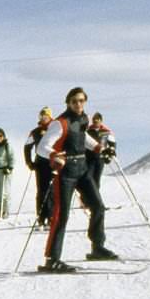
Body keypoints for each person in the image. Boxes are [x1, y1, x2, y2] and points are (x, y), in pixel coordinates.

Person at [36, 86, 116, 272]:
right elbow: (42, 147)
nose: (78, 104)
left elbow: (83, 137)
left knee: (97, 206)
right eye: (74, 101)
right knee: (61, 215)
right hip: (66, 173)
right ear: (68, 103)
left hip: (82, 168)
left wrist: (100, 149)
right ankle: (52, 259)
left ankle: (97, 247)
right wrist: (54, 155)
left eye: (81, 100)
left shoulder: (83, 119)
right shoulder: (59, 123)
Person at [23, 107, 54, 227]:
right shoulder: (35, 132)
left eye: (45, 116)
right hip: (40, 164)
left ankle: (51, 217)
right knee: (41, 191)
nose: (43, 118)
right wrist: (29, 162)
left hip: (53, 163)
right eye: (41, 116)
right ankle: (41, 217)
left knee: (52, 191)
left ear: (50, 117)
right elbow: (27, 147)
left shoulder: (55, 129)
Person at [87, 112, 116, 189]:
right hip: (89, 157)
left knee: (96, 178)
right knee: (88, 177)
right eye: (94, 120)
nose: (95, 121)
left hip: (101, 158)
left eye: (97, 120)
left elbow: (112, 143)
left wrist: (111, 153)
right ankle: (88, 197)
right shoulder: (88, 131)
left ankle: (95, 196)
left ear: (101, 120)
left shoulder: (106, 132)